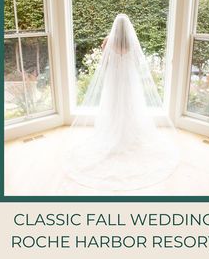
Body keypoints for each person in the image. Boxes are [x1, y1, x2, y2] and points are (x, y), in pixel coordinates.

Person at [64, 14, 179, 191]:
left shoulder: (108, 41)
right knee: (130, 105)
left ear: (115, 27)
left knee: (112, 104)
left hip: (114, 78)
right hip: (129, 79)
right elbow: (137, 62)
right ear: (128, 28)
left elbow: (105, 62)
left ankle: (112, 131)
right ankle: (129, 132)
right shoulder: (132, 42)